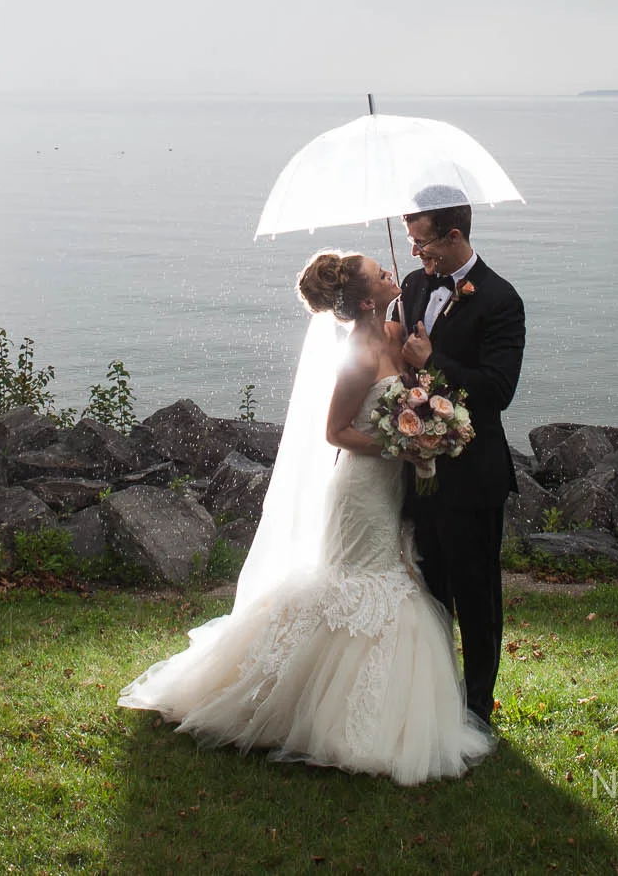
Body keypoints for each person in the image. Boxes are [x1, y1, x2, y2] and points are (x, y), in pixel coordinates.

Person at [116, 251, 493, 785]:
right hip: (362, 488)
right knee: (362, 584)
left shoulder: (395, 332)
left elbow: (415, 392)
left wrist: (426, 401)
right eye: (381, 275)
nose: (393, 276)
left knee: (391, 573)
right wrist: (397, 446)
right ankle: (311, 706)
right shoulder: (357, 357)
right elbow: (336, 431)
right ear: (366, 298)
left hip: (394, 484)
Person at [396, 195, 526, 726]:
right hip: (412, 466)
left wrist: (435, 363)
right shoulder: (412, 286)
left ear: (454, 237)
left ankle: (477, 707)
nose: (416, 251)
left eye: (423, 241)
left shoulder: (500, 300)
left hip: (472, 475)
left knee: (475, 594)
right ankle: (431, 692)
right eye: (411, 242)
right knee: (425, 587)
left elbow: (498, 390)